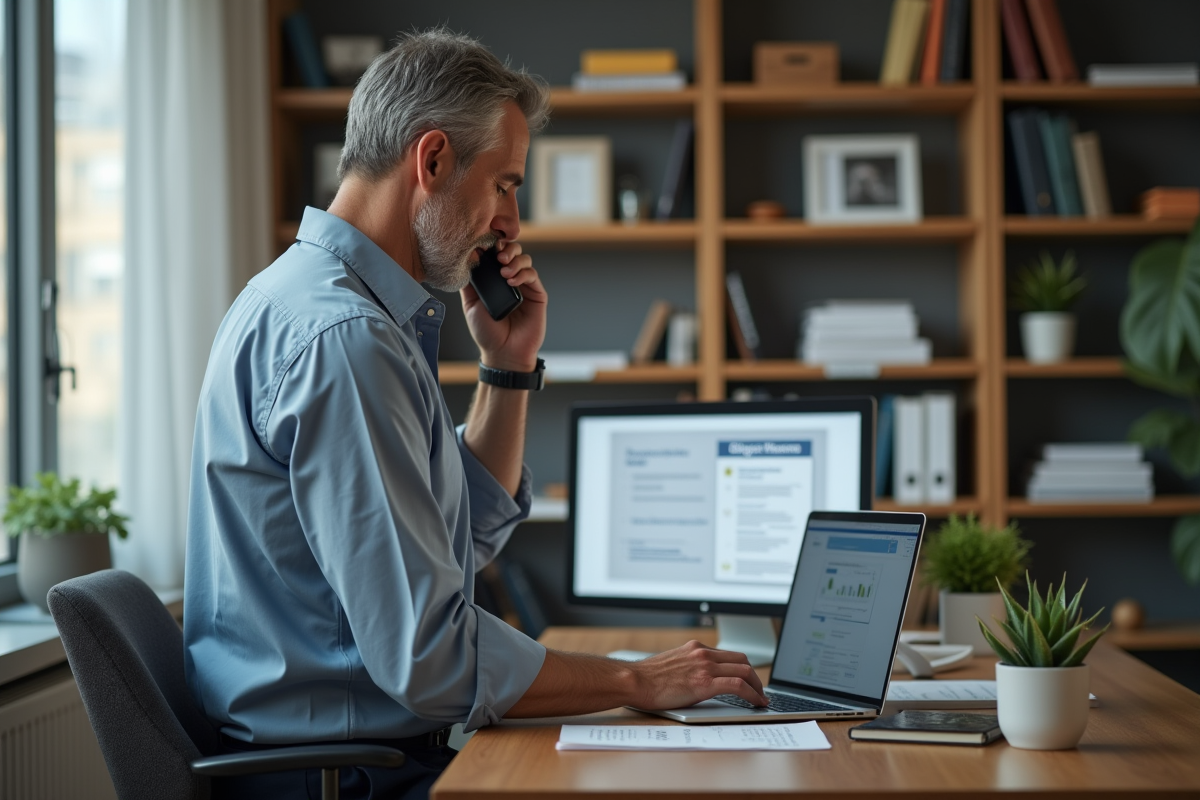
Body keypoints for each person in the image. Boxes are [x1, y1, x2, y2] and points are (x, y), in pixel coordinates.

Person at [184, 29, 766, 800]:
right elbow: (429, 656)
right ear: (432, 162)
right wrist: (639, 680)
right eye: (505, 185)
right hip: (345, 780)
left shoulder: (332, 310)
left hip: (357, 760)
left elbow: (458, 540)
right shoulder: (345, 343)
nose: (512, 224)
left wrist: (508, 367)